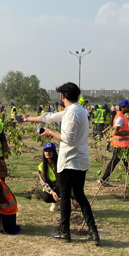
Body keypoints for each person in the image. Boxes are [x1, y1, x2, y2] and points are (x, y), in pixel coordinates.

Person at [21, 82, 100, 245]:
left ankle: (65, 231)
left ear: (62, 96)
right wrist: (28, 119)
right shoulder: (78, 110)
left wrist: (50, 133)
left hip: (70, 160)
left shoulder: (71, 114)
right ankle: (93, 232)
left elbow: (68, 139)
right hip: (81, 160)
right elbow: (49, 117)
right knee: (80, 195)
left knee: (65, 196)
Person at [98, 100, 129, 190]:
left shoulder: (121, 116)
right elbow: (116, 132)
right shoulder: (120, 118)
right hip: (121, 145)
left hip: (120, 144)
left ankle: (104, 179)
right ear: (122, 107)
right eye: (128, 107)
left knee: (115, 162)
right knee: (128, 163)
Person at [38, 142, 79, 212]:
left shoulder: (60, 163)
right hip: (51, 189)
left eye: (50, 151)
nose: (48, 153)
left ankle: (65, 200)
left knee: (61, 182)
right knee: (46, 197)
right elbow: (43, 183)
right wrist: (52, 192)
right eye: (46, 151)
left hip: (62, 187)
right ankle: (56, 202)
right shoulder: (41, 166)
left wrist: (73, 198)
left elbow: (68, 180)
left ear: (54, 152)